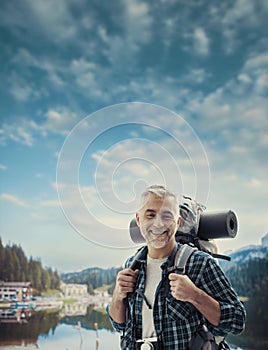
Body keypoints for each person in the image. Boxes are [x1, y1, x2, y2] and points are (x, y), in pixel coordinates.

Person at [107, 185, 246, 350]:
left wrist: (195, 296)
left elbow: (237, 321)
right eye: (150, 215)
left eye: (167, 216)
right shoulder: (132, 265)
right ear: (139, 220)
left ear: (177, 221)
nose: (158, 224)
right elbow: (119, 326)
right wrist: (118, 295)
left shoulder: (199, 263)